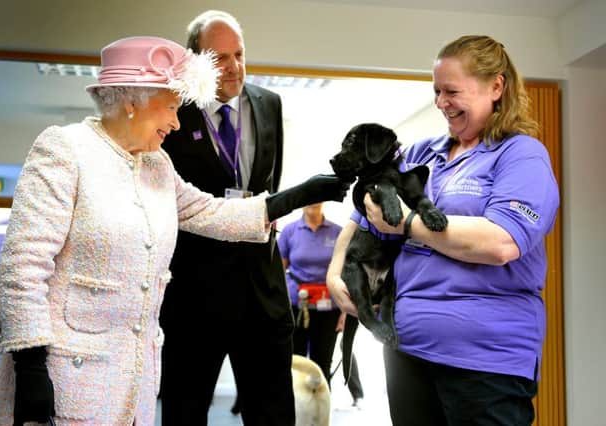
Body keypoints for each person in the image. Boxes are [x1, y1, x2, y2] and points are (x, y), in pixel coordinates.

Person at [0, 35, 350, 426]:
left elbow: (210, 212)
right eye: (173, 107)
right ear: (132, 101)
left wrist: (296, 196)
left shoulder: (157, 164)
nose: (177, 122)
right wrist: (30, 367)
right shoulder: (65, 149)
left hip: (134, 382)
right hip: (63, 376)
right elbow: (22, 267)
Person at [327, 34, 560, 426]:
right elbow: (360, 214)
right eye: (436, 91)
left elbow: (500, 242)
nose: (440, 103)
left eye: (451, 91)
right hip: (407, 348)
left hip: (485, 357)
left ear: (496, 86)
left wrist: (409, 223)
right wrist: (335, 273)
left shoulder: (521, 155)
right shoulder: (421, 153)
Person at [158, 10, 299, 426]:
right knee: (185, 410)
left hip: (262, 291)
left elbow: (268, 185)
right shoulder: (172, 112)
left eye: (240, 54)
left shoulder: (268, 103)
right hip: (194, 295)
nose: (234, 67)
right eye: (220, 58)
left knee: (273, 412)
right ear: (194, 61)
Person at [278, 203, 343, 388]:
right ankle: (294, 410)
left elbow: (347, 274)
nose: (313, 203)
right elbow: (278, 273)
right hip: (297, 306)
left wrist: (346, 313)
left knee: (323, 362)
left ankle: (321, 412)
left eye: (317, 199)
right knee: (296, 361)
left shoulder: (337, 232)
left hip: (329, 307)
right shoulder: (290, 231)